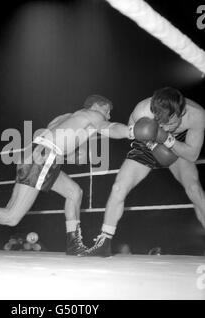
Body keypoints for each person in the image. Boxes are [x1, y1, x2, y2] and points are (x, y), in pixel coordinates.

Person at [0, 95, 130, 255]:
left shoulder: (67, 118)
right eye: (107, 110)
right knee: (12, 216)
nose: (108, 114)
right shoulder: (93, 115)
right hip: (42, 158)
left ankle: (73, 243)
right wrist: (131, 131)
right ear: (97, 106)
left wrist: (73, 155)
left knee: (74, 192)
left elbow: (57, 142)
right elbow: (111, 129)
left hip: (40, 156)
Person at [82, 87, 205, 257]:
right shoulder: (142, 110)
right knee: (118, 187)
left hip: (178, 145)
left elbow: (192, 154)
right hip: (148, 141)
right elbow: (133, 130)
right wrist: (153, 144)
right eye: (160, 122)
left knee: (194, 189)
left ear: (181, 112)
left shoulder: (197, 115)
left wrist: (168, 139)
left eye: (170, 123)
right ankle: (103, 243)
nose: (165, 127)